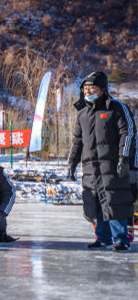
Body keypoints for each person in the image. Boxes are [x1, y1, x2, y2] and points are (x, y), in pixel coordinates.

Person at [68, 71, 135, 252]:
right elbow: (77, 141)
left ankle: (121, 238)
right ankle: (103, 237)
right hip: (91, 167)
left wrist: (124, 159)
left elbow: (127, 133)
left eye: (92, 88)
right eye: (85, 88)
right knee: (96, 203)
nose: (88, 92)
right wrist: (72, 163)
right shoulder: (82, 114)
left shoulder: (116, 108)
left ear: (102, 89)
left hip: (112, 165)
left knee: (114, 200)